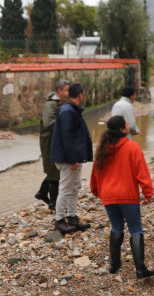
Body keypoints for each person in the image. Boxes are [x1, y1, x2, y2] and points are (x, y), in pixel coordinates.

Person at [90, 115, 154, 278]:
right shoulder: (132, 147)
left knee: (116, 227)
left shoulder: (102, 149)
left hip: (108, 196)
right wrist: (148, 193)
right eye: (126, 124)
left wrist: (96, 190)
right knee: (135, 229)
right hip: (127, 196)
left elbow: (95, 173)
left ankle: (114, 264)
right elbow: (142, 173)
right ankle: (140, 269)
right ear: (122, 129)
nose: (128, 125)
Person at [50, 82, 93, 234]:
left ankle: (72, 217)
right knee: (66, 188)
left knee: (74, 187)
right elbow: (67, 137)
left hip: (72, 157)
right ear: (80, 95)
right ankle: (60, 220)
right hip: (68, 159)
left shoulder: (70, 110)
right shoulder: (68, 111)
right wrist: (73, 159)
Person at [35, 79, 70, 211]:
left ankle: (42, 193)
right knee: (54, 171)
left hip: (57, 141)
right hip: (49, 142)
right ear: (59, 91)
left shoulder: (61, 103)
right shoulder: (50, 104)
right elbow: (48, 123)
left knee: (56, 170)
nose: (69, 92)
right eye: (67, 90)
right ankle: (54, 203)